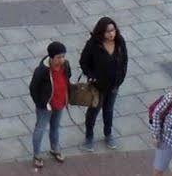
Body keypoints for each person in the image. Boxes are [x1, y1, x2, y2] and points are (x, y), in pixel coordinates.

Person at [79, 16, 127, 151]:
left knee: (109, 109)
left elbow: (125, 61)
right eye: (107, 31)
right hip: (98, 86)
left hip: (114, 85)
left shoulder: (119, 42)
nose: (111, 34)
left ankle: (108, 134)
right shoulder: (93, 44)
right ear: (101, 32)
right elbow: (83, 62)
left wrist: (121, 77)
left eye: (113, 30)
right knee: (94, 110)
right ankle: (89, 136)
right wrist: (91, 76)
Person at [29, 41, 71, 167]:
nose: (62, 60)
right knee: (40, 129)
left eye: (63, 56)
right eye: (58, 57)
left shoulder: (66, 65)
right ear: (51, 58)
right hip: (46, 106)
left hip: (60, 102)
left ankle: (55, 149)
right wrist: (41, 104)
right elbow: (33, 88)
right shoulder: (42, 71)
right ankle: (37, 155)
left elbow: (67, 79)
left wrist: (66, 97)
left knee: (55, 127)